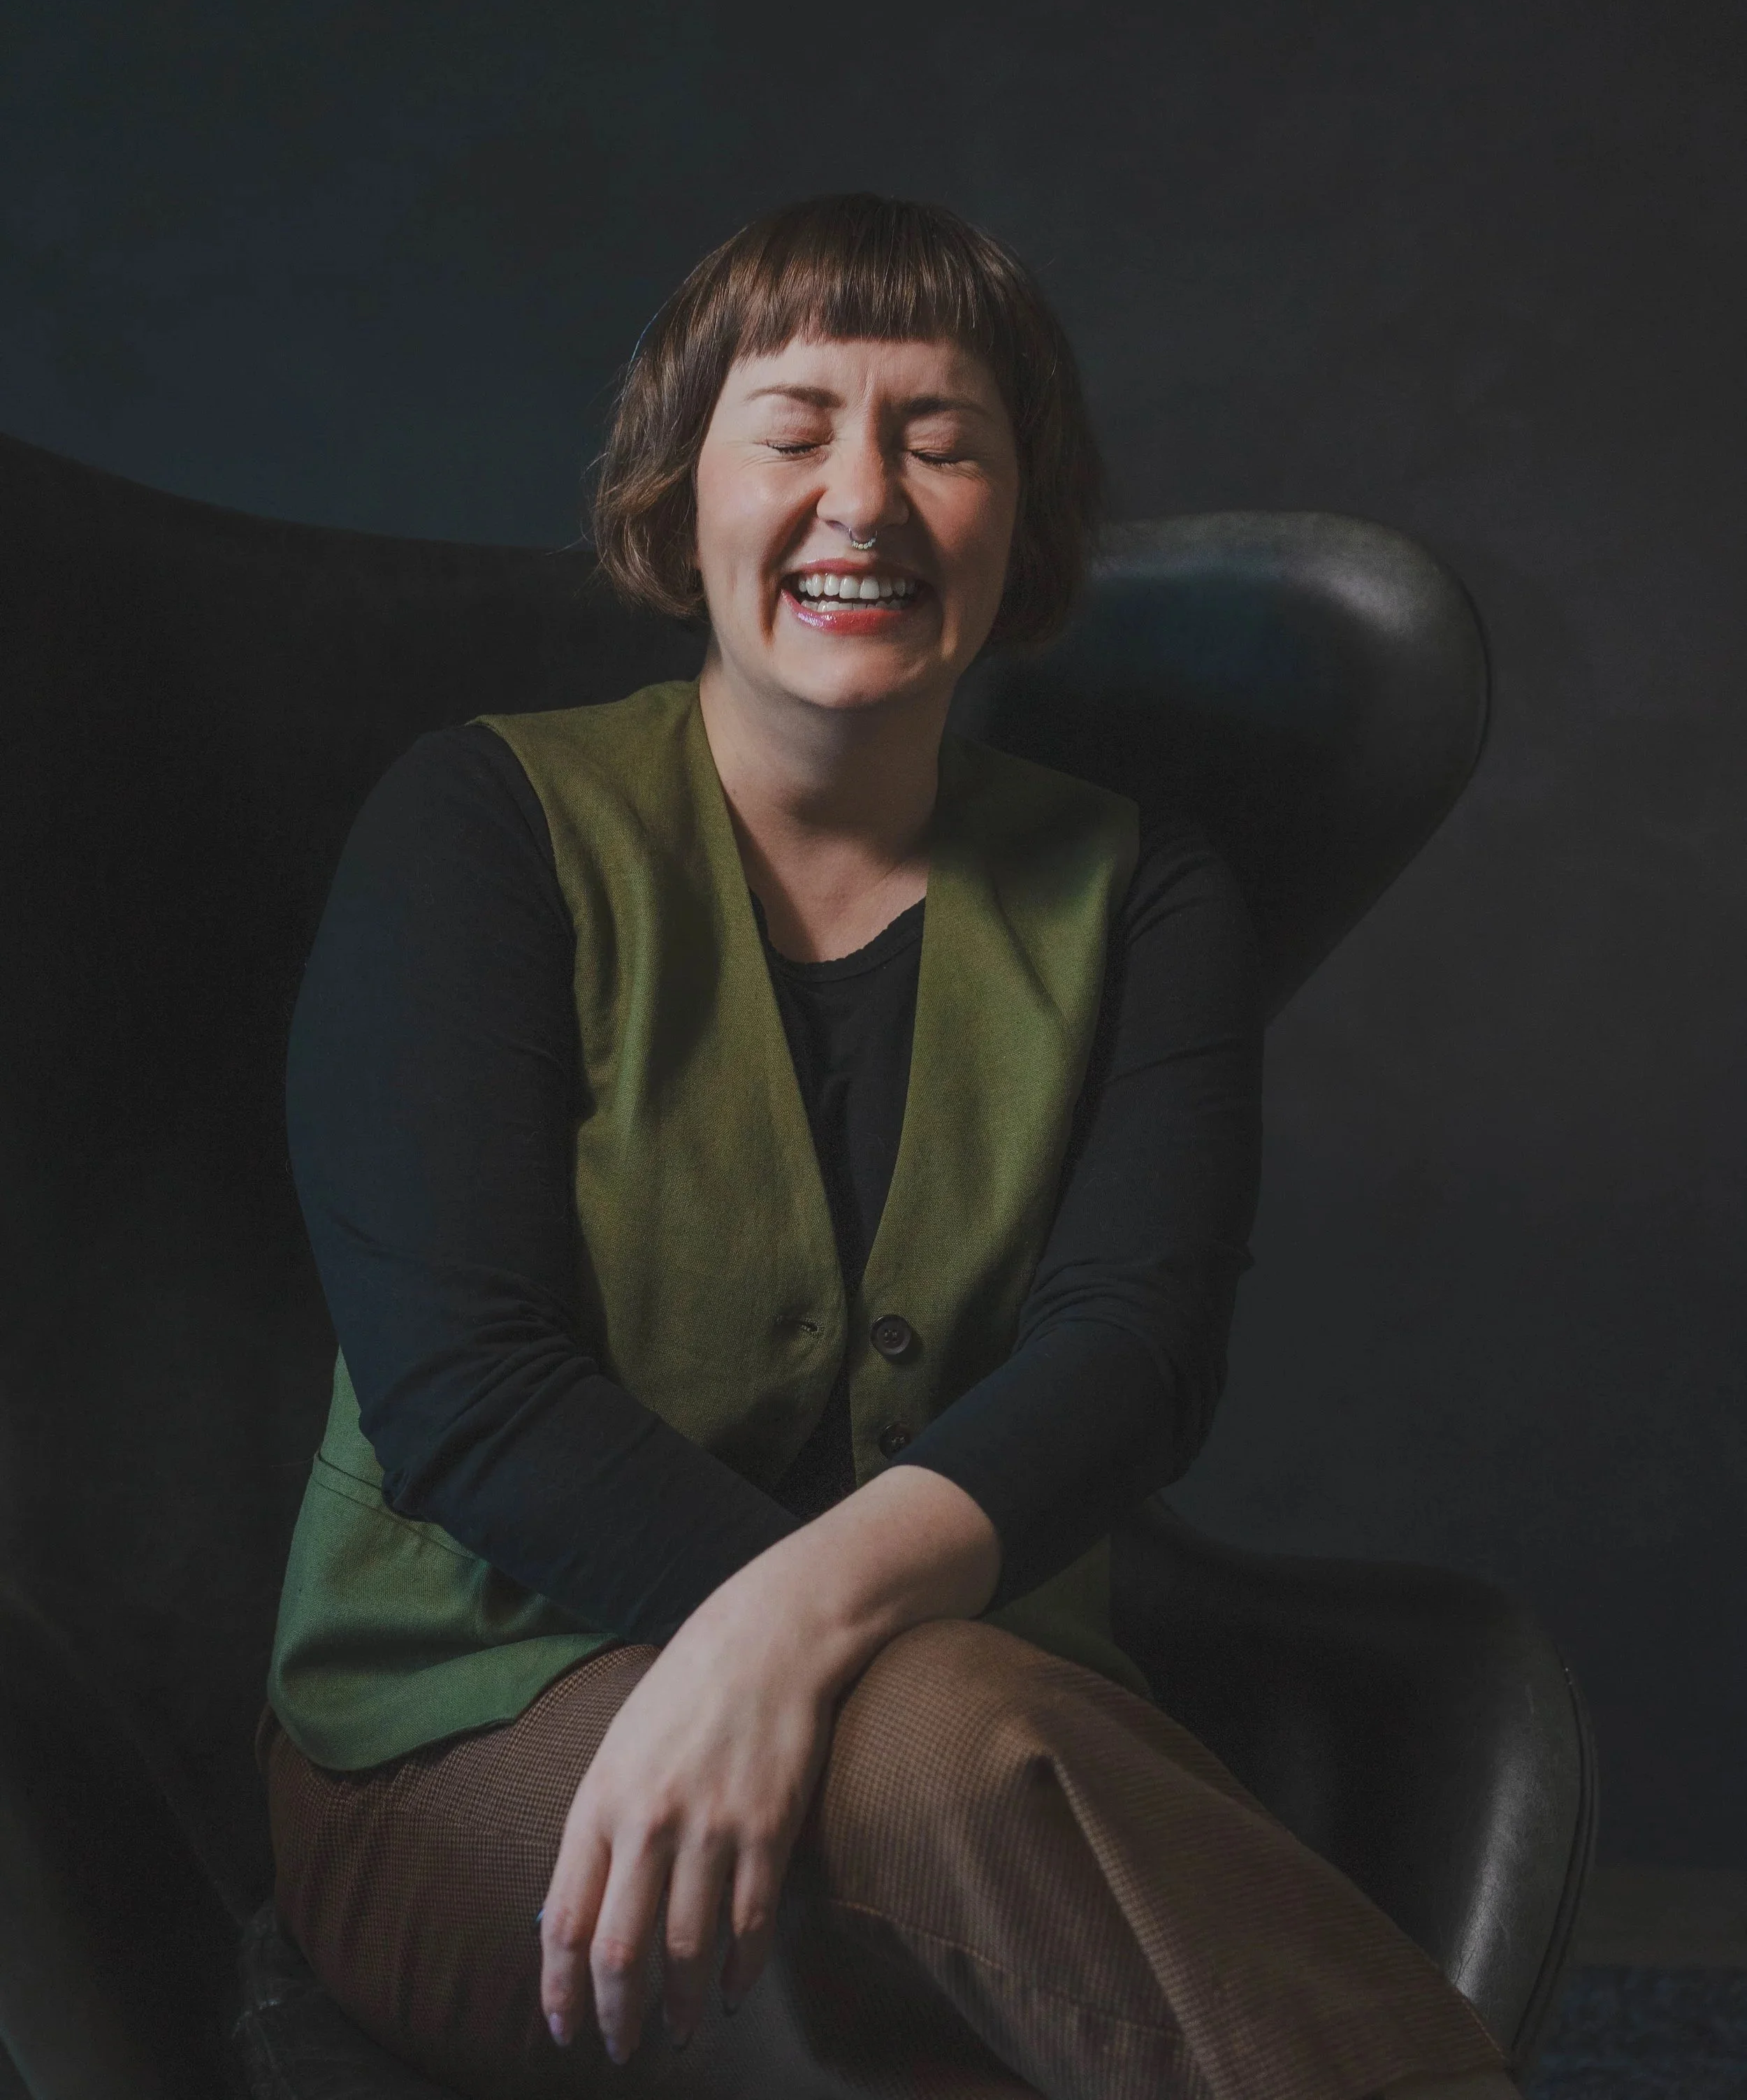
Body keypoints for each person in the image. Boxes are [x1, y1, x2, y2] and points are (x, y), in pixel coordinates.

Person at [261, 193, 1516, 2100]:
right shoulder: (481, 829)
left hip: (956, 1733)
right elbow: (467, 1387)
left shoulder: (1135, 890)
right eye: (792, 430)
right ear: (682, 496)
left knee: (936, 1775)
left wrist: (785, 1635)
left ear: (1020, 524)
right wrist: (821, 1638)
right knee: (942, 1731)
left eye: (939, 439)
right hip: (466, 1748)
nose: (864, 498)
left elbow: (1133, 1355)